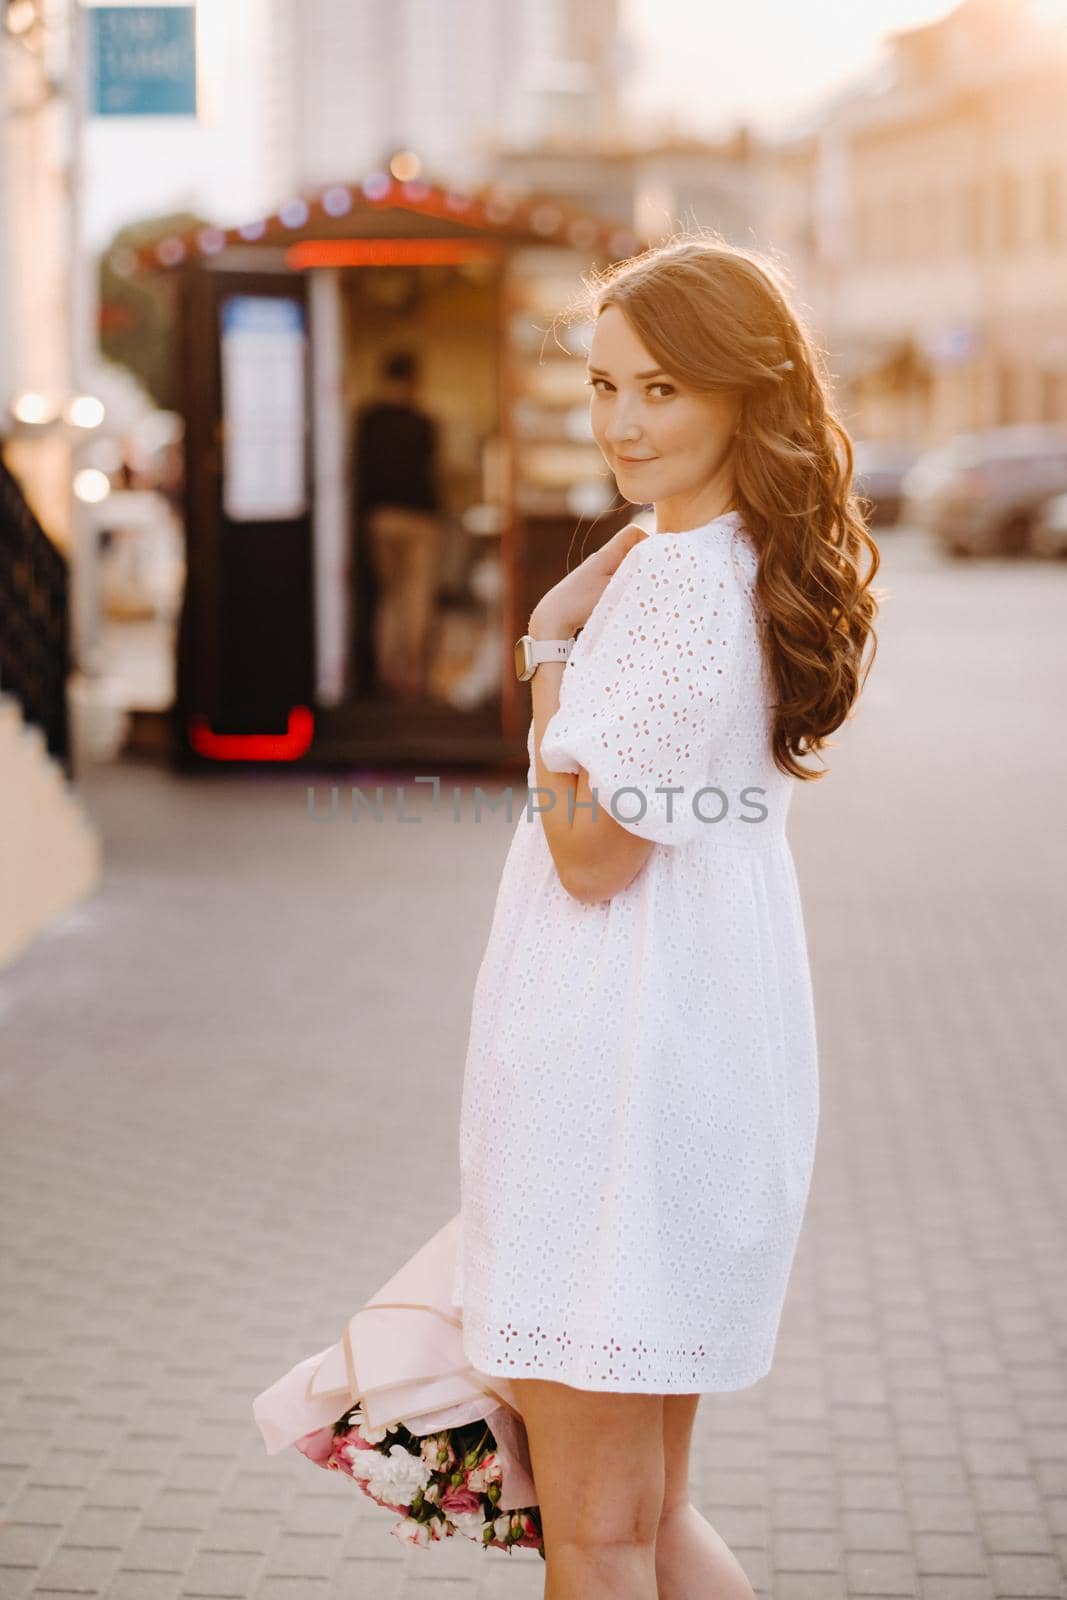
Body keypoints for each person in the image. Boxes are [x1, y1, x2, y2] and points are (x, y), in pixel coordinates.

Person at [452, 234, 881, 1599]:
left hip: (617, 1086)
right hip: (687, 1063)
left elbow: (589, 859)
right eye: (601, 388)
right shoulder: (726, 558)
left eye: (660, 391)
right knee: (646, 1516)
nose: (622, 424)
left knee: (590, 1536)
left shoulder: (680, 589)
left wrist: (543, 658)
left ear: (740, 398)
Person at [352, 349, 444, 701]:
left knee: (388, 597)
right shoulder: (423, 423)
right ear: (413, 380)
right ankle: (412, 677)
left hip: (379, 518)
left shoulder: (367, 420)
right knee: (416, 597)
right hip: (419, 518)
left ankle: (387, 673)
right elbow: (434, 474)